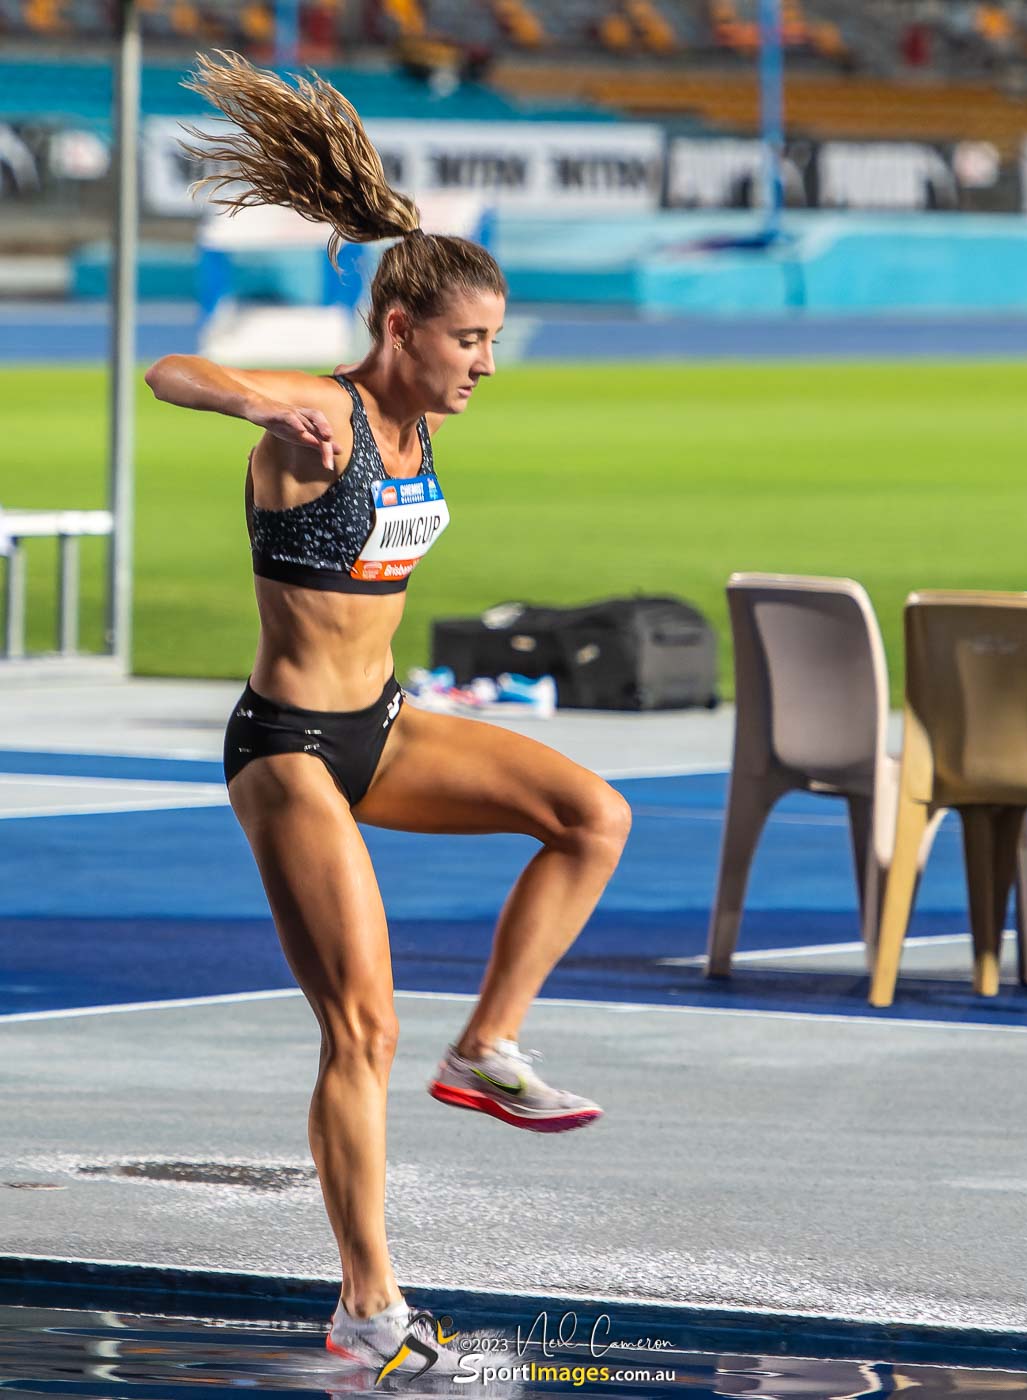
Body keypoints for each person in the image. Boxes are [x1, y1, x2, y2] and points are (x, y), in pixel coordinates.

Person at [145, 51, 631, 1379]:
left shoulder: (421, 431)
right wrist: (260, 400)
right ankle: (368, 1306)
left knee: (590, 815)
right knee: (359, 1027)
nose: (487, 362)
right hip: (290, 748)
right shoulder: (323, 421)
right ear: (405, 332)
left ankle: (489, 1046)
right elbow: (170, 373)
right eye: (471, 340)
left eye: (490, 338)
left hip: (385, 726)